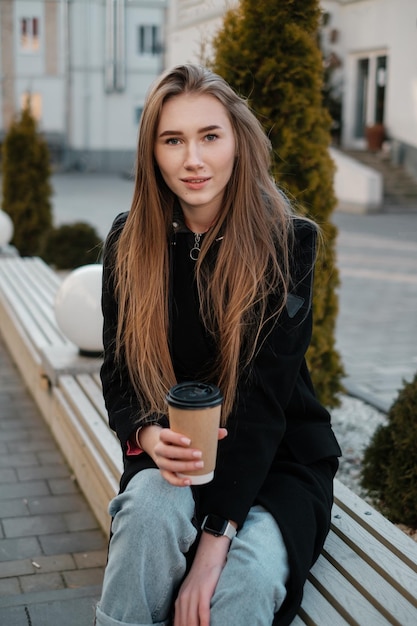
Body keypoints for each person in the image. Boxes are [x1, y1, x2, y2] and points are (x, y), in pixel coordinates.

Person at [95, 64, 341, 626]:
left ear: (238, 141)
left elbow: (263, 403)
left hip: (277, 457)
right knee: (147, 515)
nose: (194, 160)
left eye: (210, 136)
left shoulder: (288, 242)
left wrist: (214, 545)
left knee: (243, 582)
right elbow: (119, 373)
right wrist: (147, 432)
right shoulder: (128, 244)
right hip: (177, 452)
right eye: (173, 140)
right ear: (152, 154)